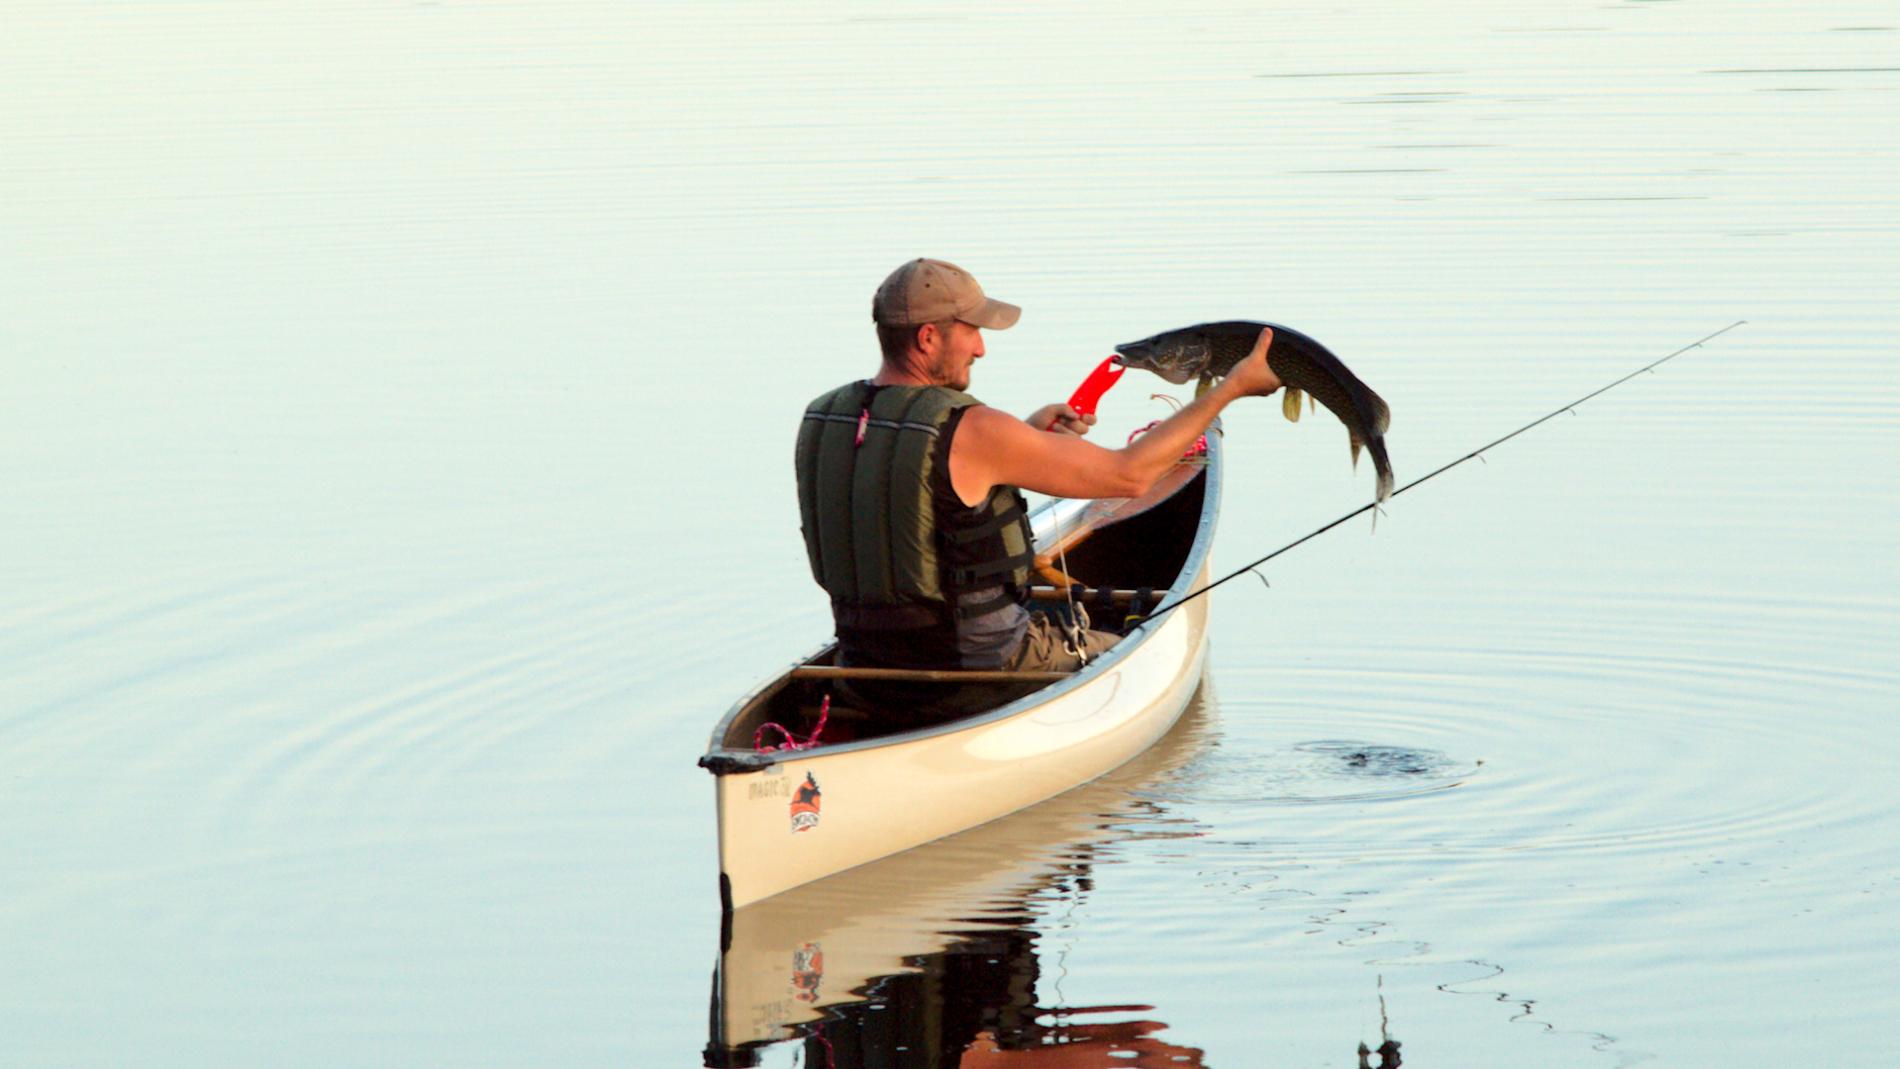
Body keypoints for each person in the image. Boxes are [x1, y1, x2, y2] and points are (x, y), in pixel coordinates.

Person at [794, 258, 1281, 721]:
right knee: (1121, 645)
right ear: (927, 338)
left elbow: (912, 491)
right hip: (981, 671)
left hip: (866, 670)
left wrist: (1026, 438)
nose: (981, 348)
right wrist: (1229, 388)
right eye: (972, 331)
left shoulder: (826, 418)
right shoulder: (976, 429)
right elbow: (1130, 476)